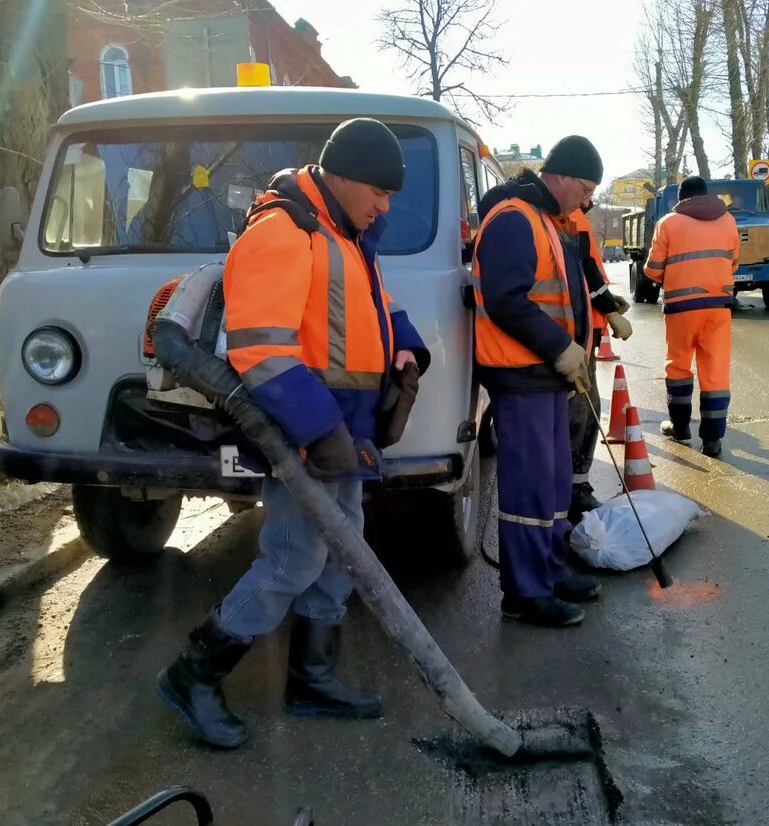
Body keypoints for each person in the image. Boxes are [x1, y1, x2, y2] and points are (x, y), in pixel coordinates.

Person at [156, 118, 430, 749]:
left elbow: (375, 307)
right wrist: (319, 428)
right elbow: (261, 351)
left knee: (341, 549)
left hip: (343, 425)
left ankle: (312, 680)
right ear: (342, 177)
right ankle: (192, 675)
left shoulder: (346, 234)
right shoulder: (284, 232)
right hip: (305, 430)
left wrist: (407, 351)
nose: (385, 206)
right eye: (379, 193)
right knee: (295, 557)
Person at [472, 136, 605, 628]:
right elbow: (507, 299)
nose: (587, 199)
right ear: (563, 176)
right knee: (530, 489)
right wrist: (559, 348)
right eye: (586, 187)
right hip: (521, 375)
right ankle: (525, 594)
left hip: (545, 376)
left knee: (550, 485)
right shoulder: (513, 219)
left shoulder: (547, 221)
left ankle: (547, 570)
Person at [644, 175, 740, 457]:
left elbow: (652, 268)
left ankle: (680, 426)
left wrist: (671, 276)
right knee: (716, 370)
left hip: (681, 307)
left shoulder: (669, 223)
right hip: (718, 305)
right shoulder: (728, 221)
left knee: (678, 365)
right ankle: (712, 440)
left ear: (681, 199)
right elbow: (733, 262)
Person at [559, 198, 633, 520]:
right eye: (586, 188)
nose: (590, 198)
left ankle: (575, 487)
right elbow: (582, 271)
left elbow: (588, 270)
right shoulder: (569, 216)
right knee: (583, 411)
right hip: (575, 334)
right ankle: (574, 491)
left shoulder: (571, 215)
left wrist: (608, 304)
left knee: (586, 410)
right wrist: (609, 309)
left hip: (585, 327)